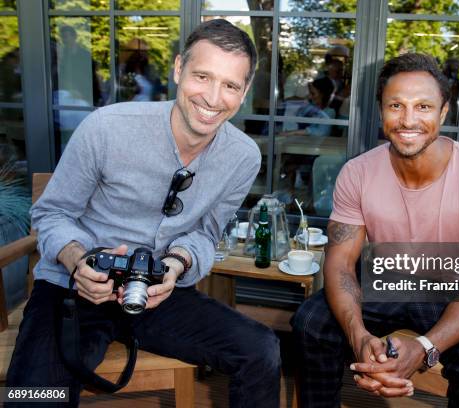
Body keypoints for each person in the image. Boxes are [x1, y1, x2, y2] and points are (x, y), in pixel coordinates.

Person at [6, 19, 281, 407]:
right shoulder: (106, 128)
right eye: (202, 76)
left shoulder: (243, 157)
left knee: (260, 349)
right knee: (33, 397)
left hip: (156, 291)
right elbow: (52, 214)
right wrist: (78, 261)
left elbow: (205, 233)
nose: (213, 98)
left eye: (231, 85)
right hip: (74, 285)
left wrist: (175, 265)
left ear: (245, 90)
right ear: (177, 68)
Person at [292, 53, 459, 407]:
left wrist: (425, 347)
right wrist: (359, 336)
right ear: (381, 111)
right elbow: (339, 264)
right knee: (311, 324)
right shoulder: (358, 173)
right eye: (396, 105)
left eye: (423, 106)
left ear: (443, 113)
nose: (408, 119)